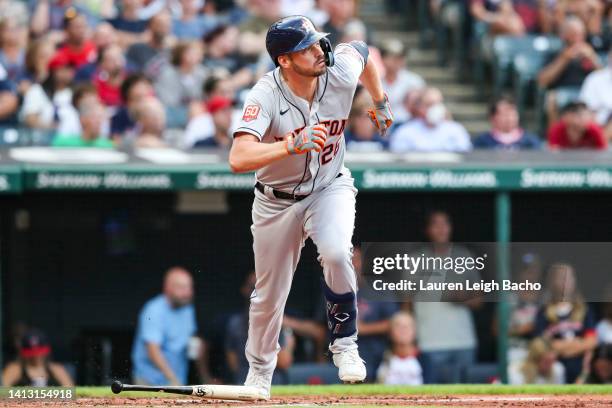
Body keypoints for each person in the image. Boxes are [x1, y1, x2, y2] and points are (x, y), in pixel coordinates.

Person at [229, 16, 392, 399]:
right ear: (284, 60)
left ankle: (345, 345)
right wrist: (289, 145)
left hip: (329, 186)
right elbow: (238, 157)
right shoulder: (265, 94)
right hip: (276, 200)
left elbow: (364, 54)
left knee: (338, 253)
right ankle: (260, 372)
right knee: (269, 295)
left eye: (319, 42)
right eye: (308, 47)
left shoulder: (338, 70)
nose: (320, 50)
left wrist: (380, 100)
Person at [412, 211, 480, 384]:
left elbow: (479, 299)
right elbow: (405, 301)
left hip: (463, 341)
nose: (441, 228)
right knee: (432, 398)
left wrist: (463, 296)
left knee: (467, 399)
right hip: (429, 342)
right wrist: (410, 339)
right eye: (436, 224)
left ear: (451, 228)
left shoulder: (464, 256)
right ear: (428, 230)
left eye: (445, 223)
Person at [131, 267, 204, 386]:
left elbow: (191, 341)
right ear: (167, 287)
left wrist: (196, 348)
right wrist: (173, 380)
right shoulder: (154, 310)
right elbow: (153, 351)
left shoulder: (187, 309)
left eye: (189, 287)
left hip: (177, 380)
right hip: (150, 382)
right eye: (182, 287)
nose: (187, 292)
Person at [226, 271, 295, 385]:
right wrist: (290, 342)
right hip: (272, 384)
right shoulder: (273, 320)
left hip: (244, 381)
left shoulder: (234, 322)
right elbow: (284, 361)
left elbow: (233, 364)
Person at [534, 263, 598, 383]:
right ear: (552, 281)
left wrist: (564, 349)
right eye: (561, 277)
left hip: (582, 368)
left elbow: (591, 341)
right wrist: (578, 343)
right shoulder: (543, 311)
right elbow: (544, 344)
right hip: (554, 369)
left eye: (569, 277)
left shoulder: (584, 309)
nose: (565, 281)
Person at [538, 17, 601, 124]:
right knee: (552, 99)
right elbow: (542, 81)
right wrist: (564, 59)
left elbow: (604, 78)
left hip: (588, 91)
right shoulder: (555, 52)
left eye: (581, 34)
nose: (578, 38)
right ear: (564, 35)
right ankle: (556, 137)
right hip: (562, 92)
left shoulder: (590, 51)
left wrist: (593, 60)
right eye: (574, 34)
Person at [389, 87, 472, 153]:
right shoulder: (405, 132)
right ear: (420, 107)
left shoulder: (456, 130)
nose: (436, 108)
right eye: (430, 104)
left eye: (438, 103)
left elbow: (465, 155)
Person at [2, 329, 74, 387]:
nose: (35, 357)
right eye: (31, 354)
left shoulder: (56, 369)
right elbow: (2, 392)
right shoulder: (15, 369)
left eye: (39, 353)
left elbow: (71, 394)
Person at [379, 39, 425, 123]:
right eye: (393, 57)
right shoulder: (376, 81)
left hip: (409, 125)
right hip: (382, 126)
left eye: (401, 57)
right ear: (383, 58)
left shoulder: (414, 81)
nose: (398, 60)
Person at [474, 96, 541, 150]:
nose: (510, 118)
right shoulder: (482, 143)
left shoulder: (530, 142)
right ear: (492, 118)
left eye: (513, 114)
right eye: (505, 114)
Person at [376, 312, 423, 385]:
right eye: (398, 326)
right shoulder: (380, 358)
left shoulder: (425, 361)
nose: (403, 330)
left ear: (414, 332)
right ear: (390, 332)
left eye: (407, 326)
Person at [126, 10, 174, 80]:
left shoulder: (173, 52)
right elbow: (130, 75)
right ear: (150, 26)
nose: (162, 29)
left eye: (166, 25)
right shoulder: (137, 49)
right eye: (159, 25)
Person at [579, 48, 612, 140]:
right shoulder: (595, 78)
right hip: (598, 121)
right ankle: (601, 143)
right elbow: (585, 105)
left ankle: (601, 143)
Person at [110, 73, 155, 141]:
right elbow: (115, 138)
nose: (147, 90)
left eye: (148, 86)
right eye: (141, 86)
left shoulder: (153, 114)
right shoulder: (121, 115)